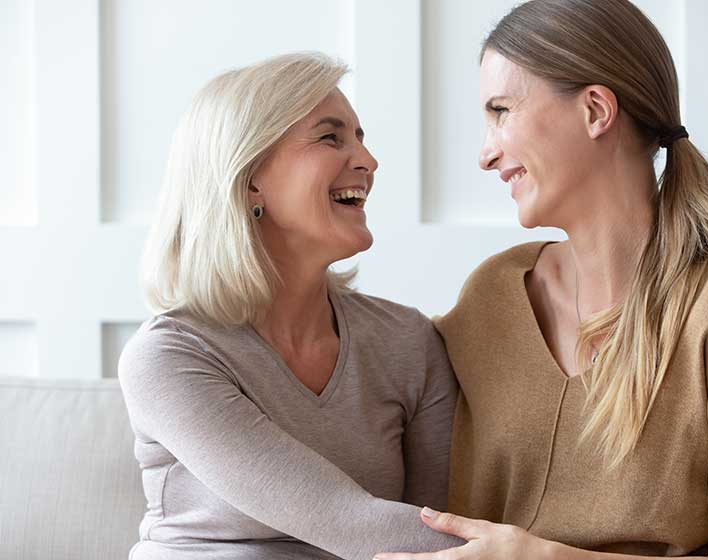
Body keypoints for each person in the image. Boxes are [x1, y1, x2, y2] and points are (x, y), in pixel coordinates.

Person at [373, 0, 708, 558]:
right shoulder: (493, 295)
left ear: (596, 110)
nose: (484, 153)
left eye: (501, 110)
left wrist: (548, 557)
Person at [118, 52, 464, 560]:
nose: (368, 161)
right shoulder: (170, 356)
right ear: (250, 175)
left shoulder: (407, 341)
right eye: (331, 137)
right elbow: (349, 521)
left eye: (361, 138)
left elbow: (432, 525)